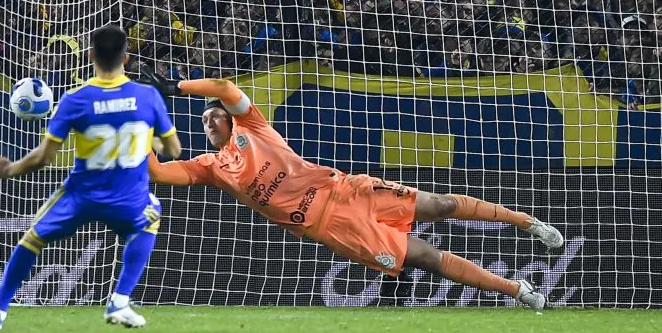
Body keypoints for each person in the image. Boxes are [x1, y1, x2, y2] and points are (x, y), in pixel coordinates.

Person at [141, 72, 564, 311]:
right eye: (204, 122)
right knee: (425, 258)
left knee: (441, 204)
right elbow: (158, 174)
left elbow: (226, 89)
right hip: (334, 226)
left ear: (231, 122)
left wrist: (175, 88)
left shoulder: (254, 127)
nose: (209, 121)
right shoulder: (210, 167)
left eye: (215, 117)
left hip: (347, 189)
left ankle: (528, 223)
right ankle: (518, 291)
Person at [0, 25, 183, 330]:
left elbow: (43, 158)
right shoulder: (147, 96)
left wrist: (10, 169)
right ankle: (120, 302)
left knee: (33, 239)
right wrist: (147, 135)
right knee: (152, 216)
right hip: (127, 197)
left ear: (91, 55)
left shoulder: (75, 99)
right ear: (126, 58)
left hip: (81, 195)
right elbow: (173, 150)